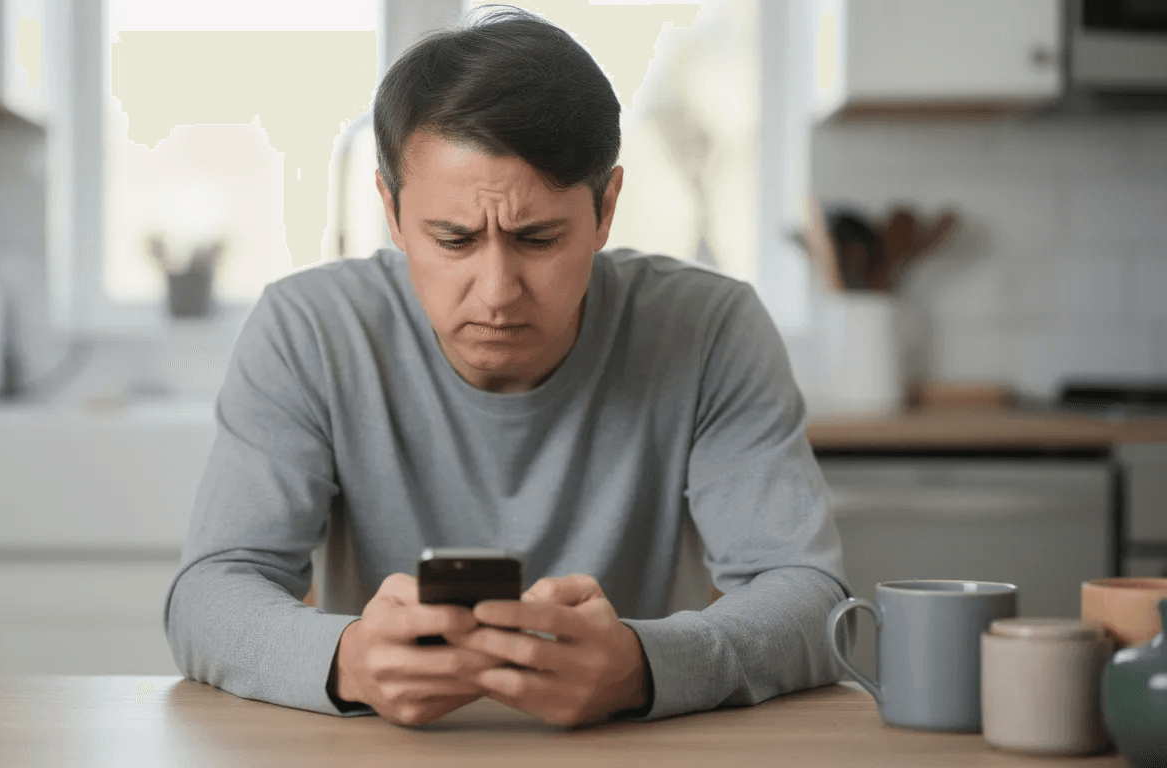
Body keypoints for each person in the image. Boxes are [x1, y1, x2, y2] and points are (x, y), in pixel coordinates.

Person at [164, 6, 853, 728]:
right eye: (453, 239)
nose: (497, 293)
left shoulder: (712, 329)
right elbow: (210, 592)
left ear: (606, 208)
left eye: (539, 238)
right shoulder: (307, 330)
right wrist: (348, 658)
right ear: (393, 213)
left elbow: (811, 596)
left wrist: (645, 666)